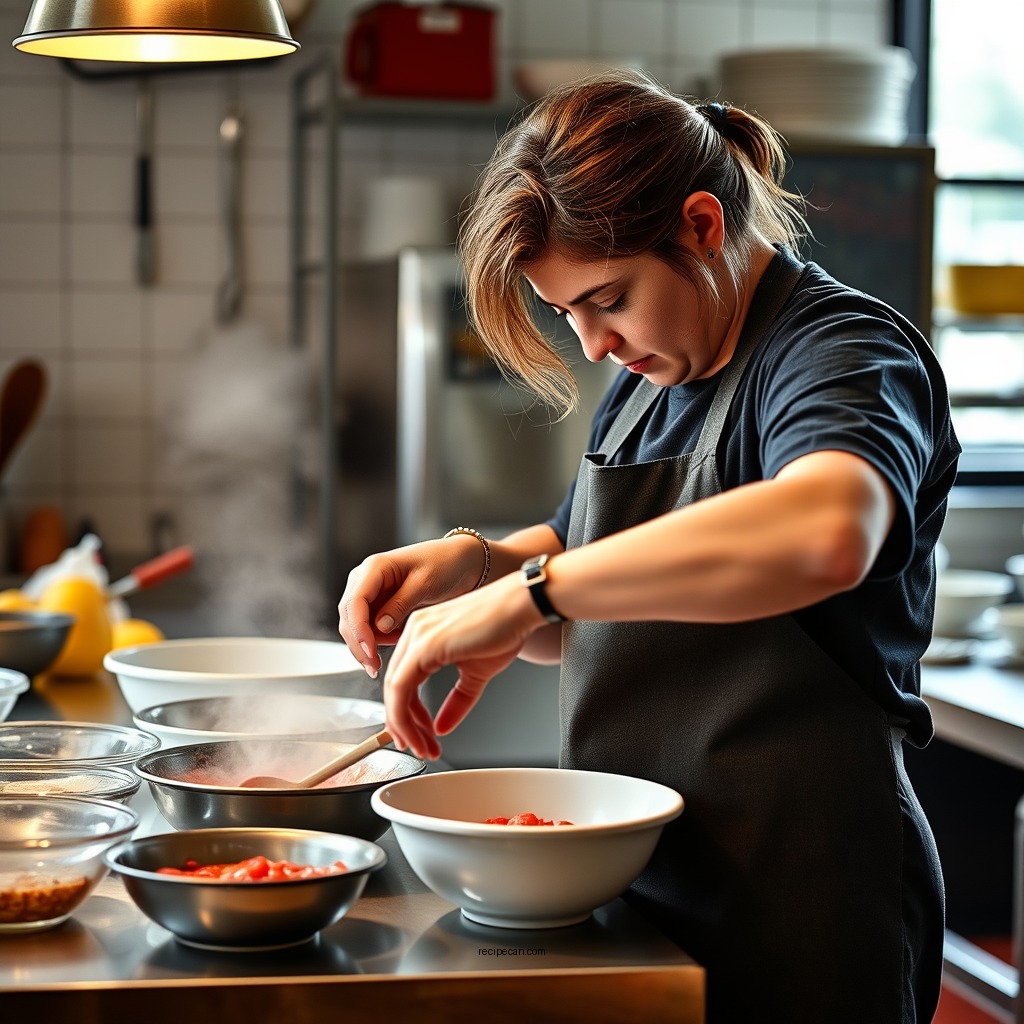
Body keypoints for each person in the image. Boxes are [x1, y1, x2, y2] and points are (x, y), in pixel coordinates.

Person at [337, 71, 960, 1024]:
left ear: (704, 225)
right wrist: (479, 568)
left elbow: (829, 528)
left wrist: (535, 591)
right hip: (646, 885)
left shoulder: (838, 350)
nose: (593, 345)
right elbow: (591, 592)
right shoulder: (654, 376)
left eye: (609, 298)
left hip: (803, 900)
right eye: (567, 314)